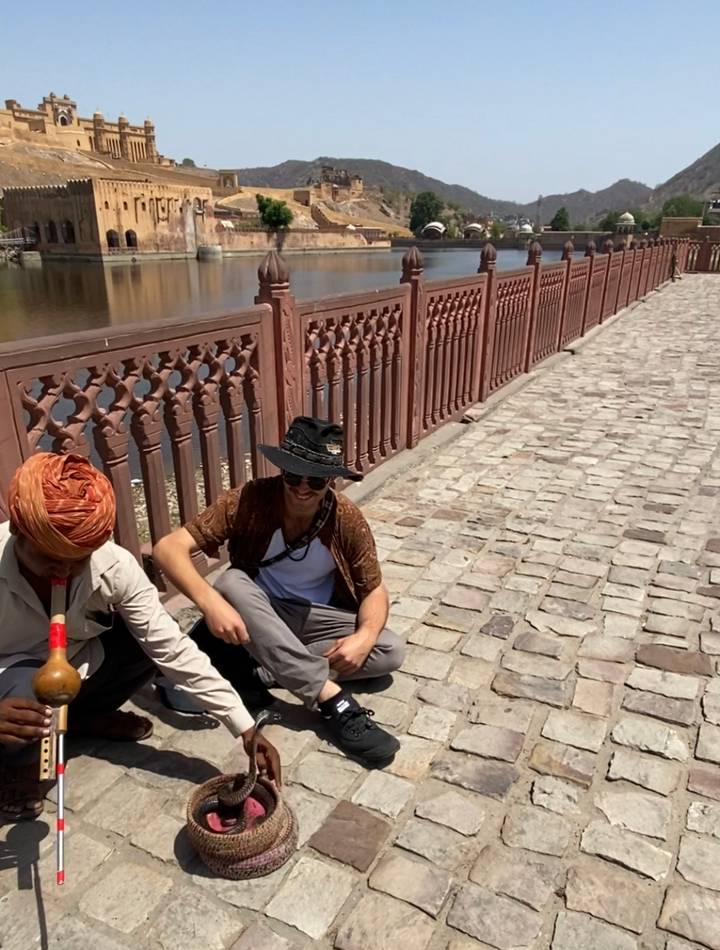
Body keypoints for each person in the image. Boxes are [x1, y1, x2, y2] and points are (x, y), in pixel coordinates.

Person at [0, 452, 279, 822]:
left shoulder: (112, 564)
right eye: (51, 558)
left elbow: (173, 649)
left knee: (142, 641)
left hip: (79, 659)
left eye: (77, 560)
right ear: (19, 533)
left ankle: (83, 717)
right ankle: (20, 765)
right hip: (11, 677)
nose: (63, 572)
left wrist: (244, 726)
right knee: (25, 697)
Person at [153, 416, 405, 767]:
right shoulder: (250, 500)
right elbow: (167, 549)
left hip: (313, 616)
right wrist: (209, 603)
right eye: (293, 476)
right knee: (230, 582)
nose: (302, 488)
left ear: (331, 480)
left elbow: (374, 590)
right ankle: (331, 699)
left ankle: (267, 669)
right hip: (258, 611)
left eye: (315, 480)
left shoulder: (345, 518)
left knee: (389, 650)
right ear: (281, 470)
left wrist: (364, 637)